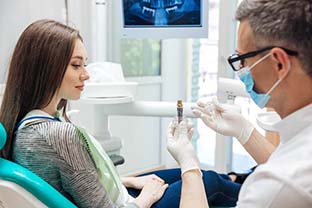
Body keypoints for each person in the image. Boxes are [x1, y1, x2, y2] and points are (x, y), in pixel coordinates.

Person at [0, 19, 246, 208]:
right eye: (76, 65)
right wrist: (145, 198)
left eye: (84, 64)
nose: (86, 74)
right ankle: (259, 191)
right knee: (209, 182)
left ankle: (240, 179)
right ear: (46, 66)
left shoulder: (27, 124)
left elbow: (78, 183)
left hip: (118, 195)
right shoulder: (58, 134)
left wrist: (129, 181)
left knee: (202, 175)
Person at [167, 0, 312, 207]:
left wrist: (189, 166)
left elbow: (286, 178)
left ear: (279, 63)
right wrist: (244, 131)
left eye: (242, 59)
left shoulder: (278, 185)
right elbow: (289, 159)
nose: (241, 70)